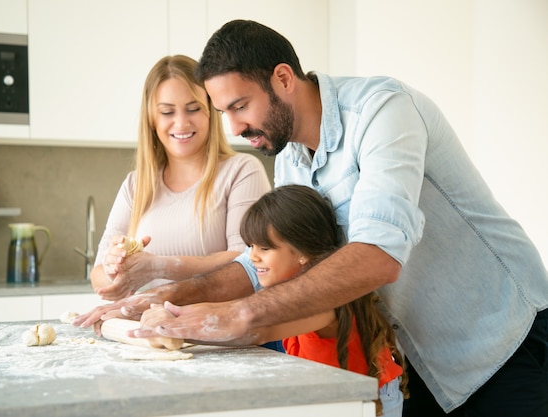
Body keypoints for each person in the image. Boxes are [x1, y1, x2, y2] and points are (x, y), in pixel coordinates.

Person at [75, 21, 548, 416]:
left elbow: (379, 256)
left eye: (239, 107)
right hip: (419, 364)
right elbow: (262, 264)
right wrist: (167, 298)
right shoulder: (290, 160)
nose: (234, 128)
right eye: (224, 112)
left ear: (283, 78)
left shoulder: (383, 112)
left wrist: (238, 315)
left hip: (503, 343)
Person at [90, 54, 271, 299]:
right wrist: (115, 267)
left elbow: (247, 261)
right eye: (167, 112)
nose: (181, 123)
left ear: (210, 111)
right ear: (152, 119)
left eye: (193, 109)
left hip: (216, 333)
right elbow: (98, 273)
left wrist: (159, 267)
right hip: (149, 330)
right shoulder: (136, 185)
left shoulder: (241, 171)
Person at [230, 184, 408, 416]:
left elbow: (257, 328)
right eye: (250, 246)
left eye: (264, 247)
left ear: (303, 253)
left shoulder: (321, 302)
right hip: (338, 395)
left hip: (374, 400)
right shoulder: (289, 289)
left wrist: (181, 325)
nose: (253, 256)